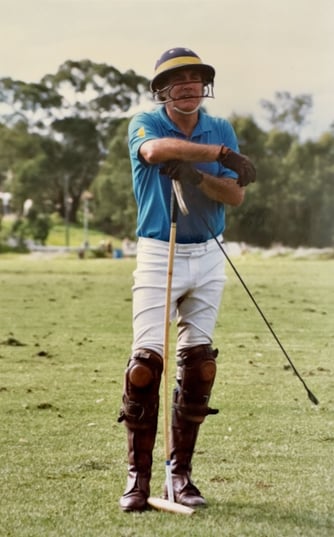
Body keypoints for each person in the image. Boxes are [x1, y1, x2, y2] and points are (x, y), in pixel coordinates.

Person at [118, 47, 256, 512]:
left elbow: (233, 196)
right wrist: (219, 155)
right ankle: (138, 480)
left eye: (197, 78)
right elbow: (155, 151)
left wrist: (199, 177)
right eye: (179, 80)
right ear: (161, 89)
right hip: (160, 250)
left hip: (209, 253)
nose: (190, 86)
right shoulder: (146, 122)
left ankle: (180, 477)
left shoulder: (221, 127)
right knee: (144, 368)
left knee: (199, 366)